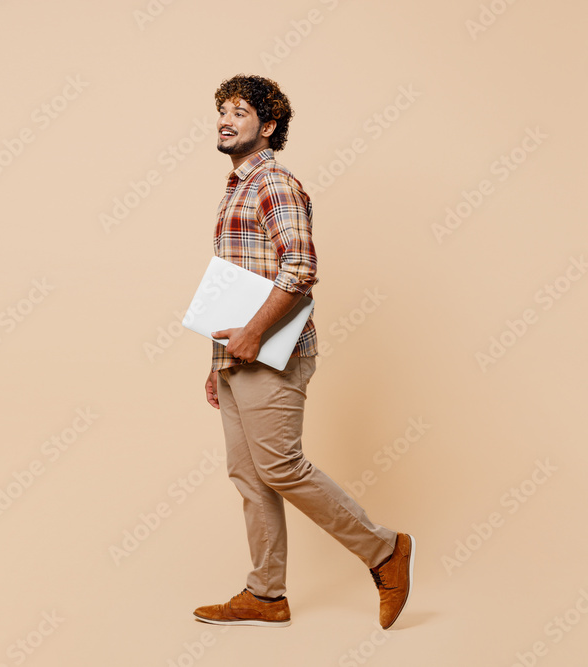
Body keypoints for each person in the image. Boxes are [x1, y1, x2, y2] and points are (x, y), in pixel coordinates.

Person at [192, 74, 414, 630]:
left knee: (280, 467)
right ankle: (266, 595)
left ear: (267, 126)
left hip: (272, 353)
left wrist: (250, 337)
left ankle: (385, 551)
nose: (226, 117)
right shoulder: (237, 186)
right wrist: (218, 363)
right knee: (249, 476)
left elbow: (301, 270)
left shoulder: (274, 182)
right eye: (222, 109)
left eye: (240, 111)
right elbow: (238, 280)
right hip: (239, 358)